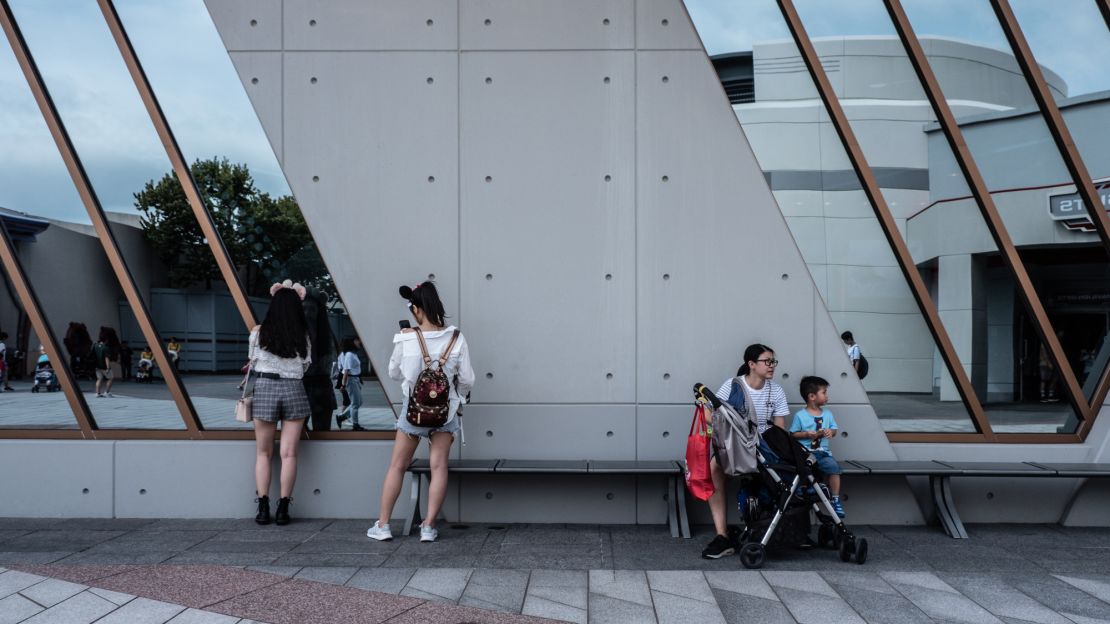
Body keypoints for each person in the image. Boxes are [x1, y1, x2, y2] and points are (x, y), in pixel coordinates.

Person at [367, 281, 474, 543]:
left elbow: (393, 373)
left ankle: (383, 526)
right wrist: (456, 396)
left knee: (397, 466)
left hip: (413, 411)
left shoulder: (406, 337)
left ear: (415, 309)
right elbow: (468, 379)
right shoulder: (456, 338)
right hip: (445, 412)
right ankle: (428, 527)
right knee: (439, 467)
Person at [702, 343, 789, 559]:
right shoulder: (733, 386)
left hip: (764, 448)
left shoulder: (776, 390)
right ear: (751, 364)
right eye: (767, 361)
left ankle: (776, 529)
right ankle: (722, 536)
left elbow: (779, 430)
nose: (771, 366)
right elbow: (708, 412)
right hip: (736, 445)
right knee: (714, 468)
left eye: (773, 362)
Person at [249, 280, 313, 526]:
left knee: (263, 452)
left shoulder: (258, 332)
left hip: (265, 387)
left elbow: (252, 362)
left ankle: (263, 507)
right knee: (289, 453)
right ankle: (284, 507)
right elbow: (306, 365)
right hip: (294, 388)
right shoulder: (303, 335)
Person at [790, 376, 845, 518]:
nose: (827, 396)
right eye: (824, 392)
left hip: (823, 453)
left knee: (834, 468)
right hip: (806, 454)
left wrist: (830, 432)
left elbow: (834, 430)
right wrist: (806, 434)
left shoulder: (828, 414)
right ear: (812, 396)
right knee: (802, 469)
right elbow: (793, 434)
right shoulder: (800, 416)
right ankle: (802, 491)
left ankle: (835, 499)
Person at [301, 286, 338, 431]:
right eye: (304, 309)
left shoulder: (326, 335)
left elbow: (331, 361)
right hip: (301, 385)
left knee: (323, 431)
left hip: (321, 386)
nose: (308, 313)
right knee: (299, 432)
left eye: (312, 310)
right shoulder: (294, 333)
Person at [336, 337, 364, 431]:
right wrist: (343, 385)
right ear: (351, 343)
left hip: (355, 379)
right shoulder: (349, 355)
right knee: (355, 403)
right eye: (356, 341)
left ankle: (341, 417)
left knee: (359, 402)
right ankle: (355, 425)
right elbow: (346, 371)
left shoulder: (352, 354)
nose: (359, 342)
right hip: (351, 380)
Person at [93, 326, 120, 398]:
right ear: (107, 339)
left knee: (99, 379)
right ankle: (107, 392)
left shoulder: (95, 345)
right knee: (111, 378)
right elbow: (106, 358)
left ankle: (97, 393)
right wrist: (108, 368)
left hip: (97, 366)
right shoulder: (105, 348)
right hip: (104, 367)